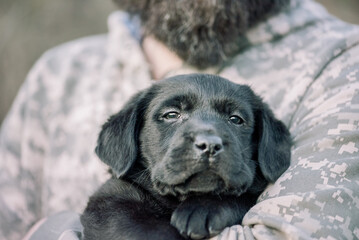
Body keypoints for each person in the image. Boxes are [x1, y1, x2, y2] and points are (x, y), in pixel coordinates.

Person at [1, 0, 358, 239]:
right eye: (171, 114)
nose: (207, 139)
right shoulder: (61, 70)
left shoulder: (344, 62)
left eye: (236, 120)